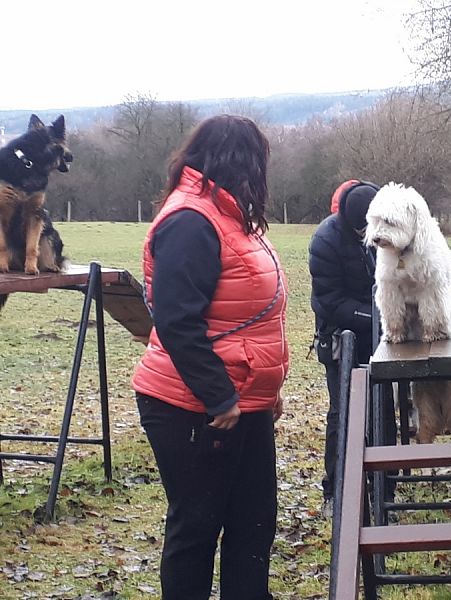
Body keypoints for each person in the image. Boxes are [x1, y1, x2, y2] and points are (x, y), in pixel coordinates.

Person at [131, 115, 289, 600]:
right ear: (237, 162)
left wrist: (266, 389)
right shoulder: (189, 221)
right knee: (197, 528)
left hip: (244, 402)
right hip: (194, 406)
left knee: (253, 521)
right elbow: (178, 322)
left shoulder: (227, 215)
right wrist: (219, 398)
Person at [308, 179, 379, 516]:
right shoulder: (325, 241)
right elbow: (330, 301)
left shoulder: (388, 225)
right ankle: (334, 491)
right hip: (340, 336)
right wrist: (376, 316)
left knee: (380, 407)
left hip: (381, 333)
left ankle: (381, 478)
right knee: (343, 411)